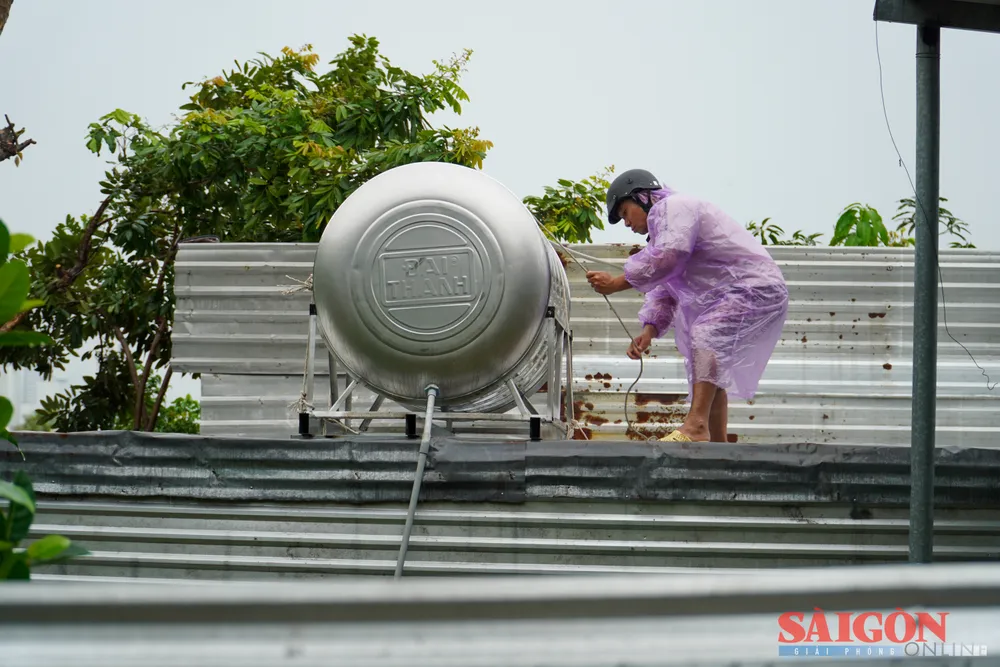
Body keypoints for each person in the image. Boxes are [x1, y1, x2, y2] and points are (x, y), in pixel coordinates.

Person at [586, 169, 789, 443]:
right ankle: (717, 447)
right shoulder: (665, 229)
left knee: (708, 336)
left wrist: (616, 283)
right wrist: (648, 332)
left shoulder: (674, 207)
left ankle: (695, 426)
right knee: (707, 363)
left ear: (643, 197)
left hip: (752, 286)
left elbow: (668, 260)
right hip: (748, 290)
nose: (626, 223)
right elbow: (665, 289)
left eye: (624, 212)